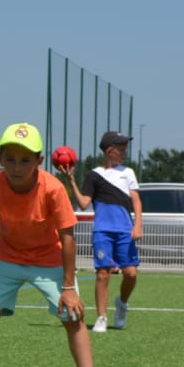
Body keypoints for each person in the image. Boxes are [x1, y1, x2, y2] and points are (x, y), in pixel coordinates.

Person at [0, 122, 107, 367]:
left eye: (25, 160)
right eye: (11, 159)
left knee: (73, 316)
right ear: (0, 158)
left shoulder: (53, 188)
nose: (17, 167)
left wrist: (69, 287)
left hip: (49, 260)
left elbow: (67, 236)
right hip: (7, 257)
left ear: (39, 161)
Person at [63, 131, 142, 332]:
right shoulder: (94, 175)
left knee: (131, 274)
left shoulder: (128, 172)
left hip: (125, 230)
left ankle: (122, 303)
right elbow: (83, 204)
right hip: (102, 231)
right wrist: (71, 181)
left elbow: (136, 200)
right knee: (103, 273)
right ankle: (101, 317)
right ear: (110, 150)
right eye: (121, 149)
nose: (125, 152)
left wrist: (138, 225)